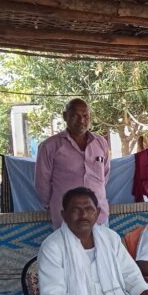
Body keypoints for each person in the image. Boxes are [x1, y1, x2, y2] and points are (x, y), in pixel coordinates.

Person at [35, 98, 111, 229]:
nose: (81, 120)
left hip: (98, 216)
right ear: (65, 116)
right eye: (75, 115)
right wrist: (53, 206)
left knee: (103, 244)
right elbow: (42, 184)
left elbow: (105, 176)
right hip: (67, 218)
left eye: (85, 116)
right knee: (67, 244)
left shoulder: (101, 143)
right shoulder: (49, 146)